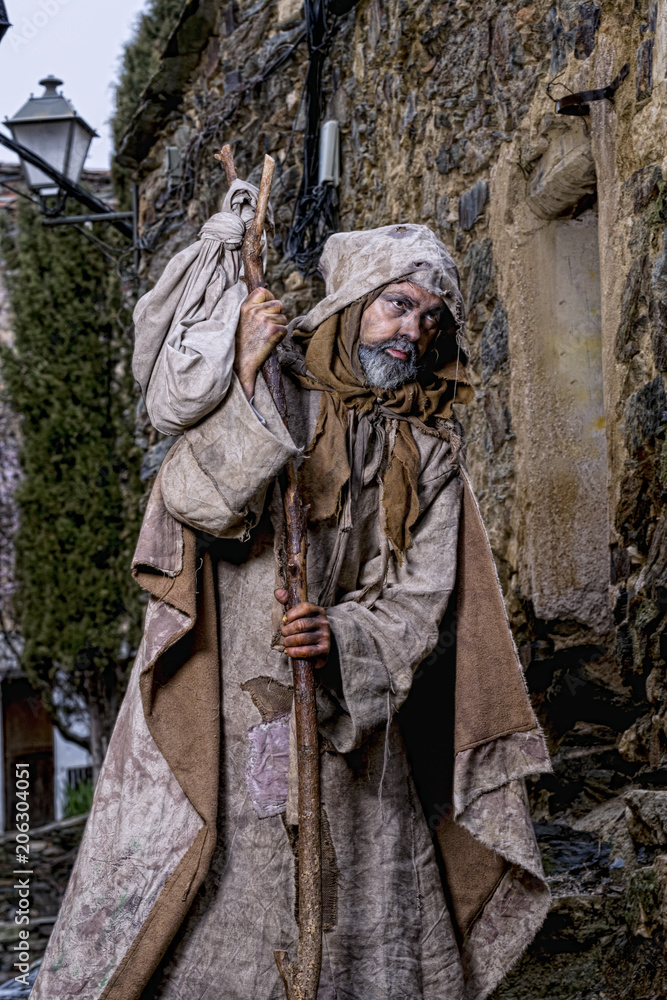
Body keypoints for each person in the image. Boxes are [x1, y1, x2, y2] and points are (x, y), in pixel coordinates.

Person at [31, 187, 551, 1000]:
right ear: (349, 306)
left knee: (366, 919)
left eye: (429, 319)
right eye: (396, 305)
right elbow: (194, 504)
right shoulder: (275, 390)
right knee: (220, 901)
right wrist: (242, 379)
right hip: (234, 707)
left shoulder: (430, 452)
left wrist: (341, 636)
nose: (412, 331)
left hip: (355, 732)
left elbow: (422, 599)